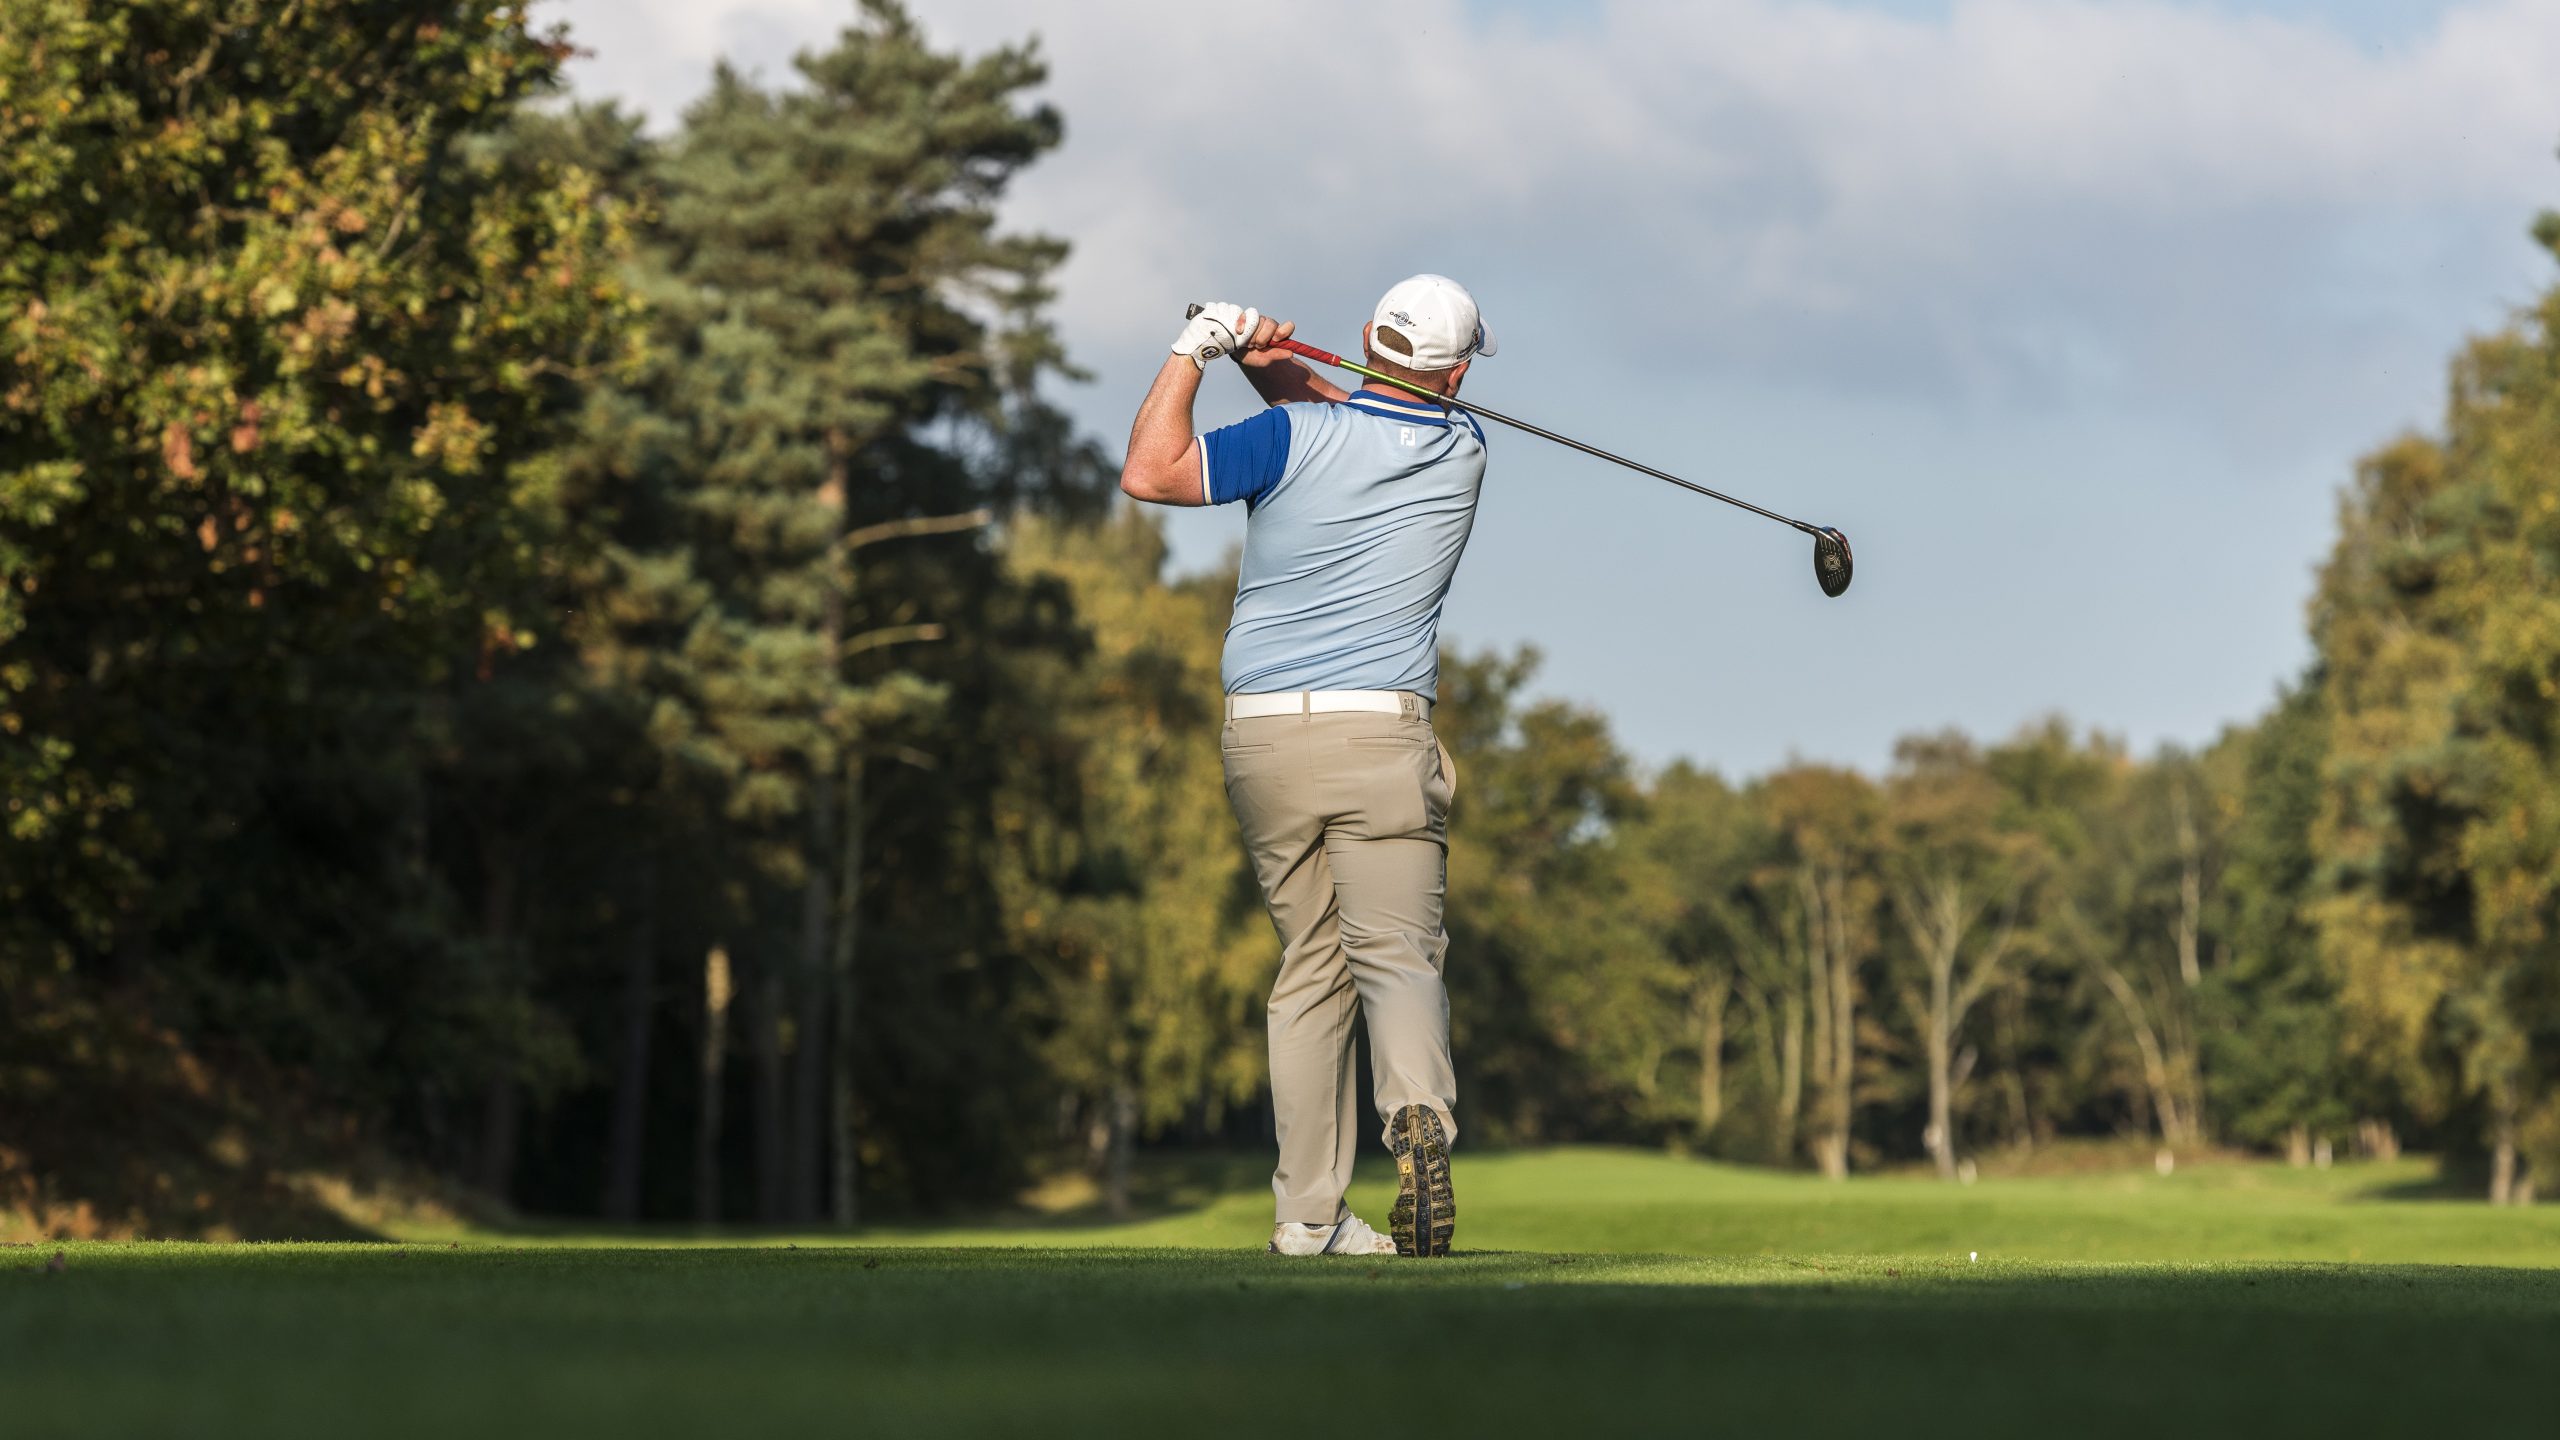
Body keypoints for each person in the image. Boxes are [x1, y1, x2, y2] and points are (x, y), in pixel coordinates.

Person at [1118, 275, 1496, 1258]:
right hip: (1384, 739)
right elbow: (1346, 408)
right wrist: (1259, 357)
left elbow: (1152, 473)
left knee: (1310, 969)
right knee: (1398, 954)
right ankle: (1416, 1120)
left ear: (1369, 336)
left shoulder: (1286, 442)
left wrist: (1199, 348)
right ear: (1457, 372)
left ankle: (1308, 1218)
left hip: (1268, 740)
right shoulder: (1463, 449)